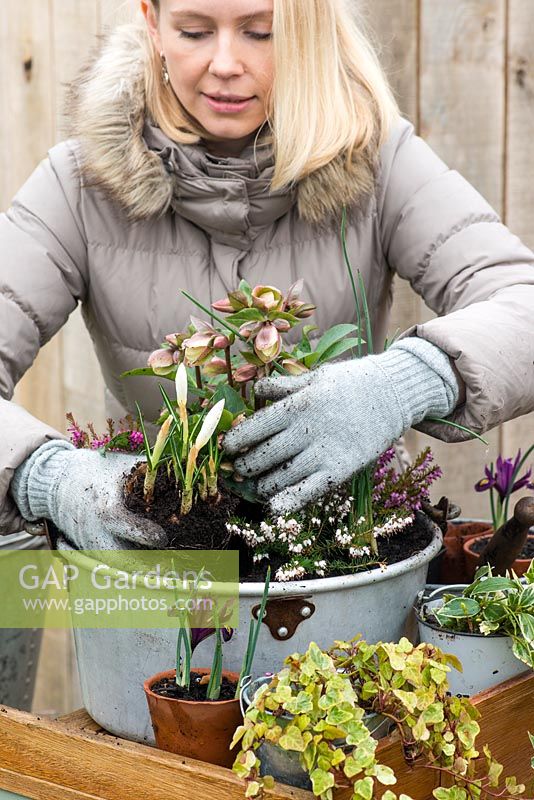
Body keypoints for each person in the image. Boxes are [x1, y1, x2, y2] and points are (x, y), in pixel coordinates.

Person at [2, 0, 534, 550]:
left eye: (260, 32)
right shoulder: (78, 183)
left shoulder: (379, 160)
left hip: (349, 550)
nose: (226, 63)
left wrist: (407, 380)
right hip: (154, 552)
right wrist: (45, 477)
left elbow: (523, 306)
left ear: (307, 30)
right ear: (152, 22)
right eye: (194, 31)